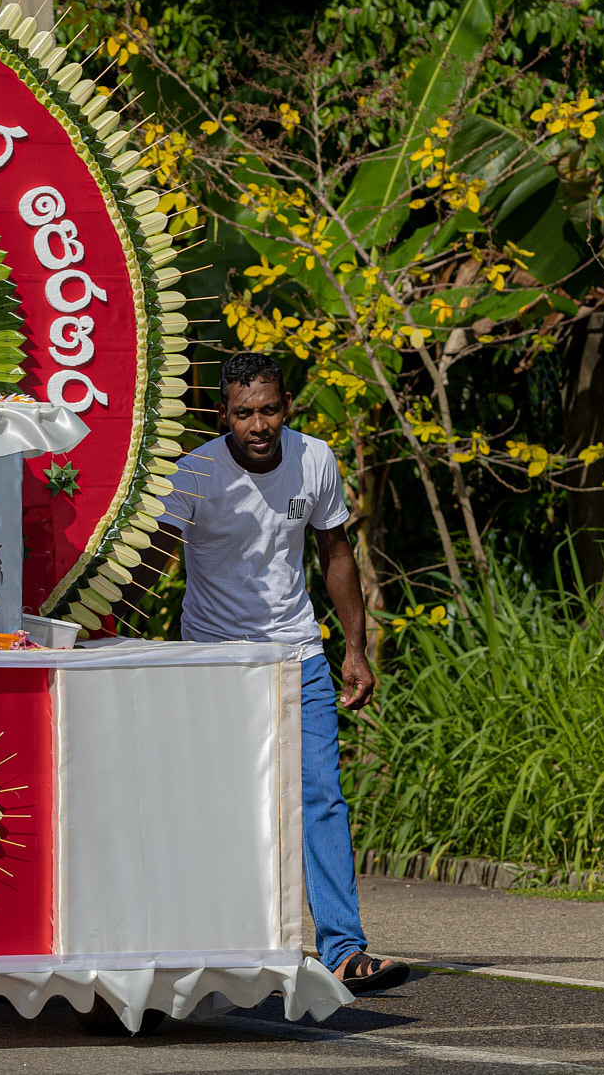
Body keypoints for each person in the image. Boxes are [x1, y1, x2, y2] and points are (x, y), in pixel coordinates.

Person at [154, 352, 410, 994]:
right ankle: (214, 941)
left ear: (286, 407)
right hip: (215, 663)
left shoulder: (315, 459)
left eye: (269, 409)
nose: (259, 424)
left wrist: (354, 646)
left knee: (321, 794)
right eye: (244, 413)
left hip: (298, 655)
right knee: (217, 806)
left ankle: (344, 949)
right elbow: (146, 563)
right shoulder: (195, 473)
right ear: (224, 416)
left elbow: (335, 551)